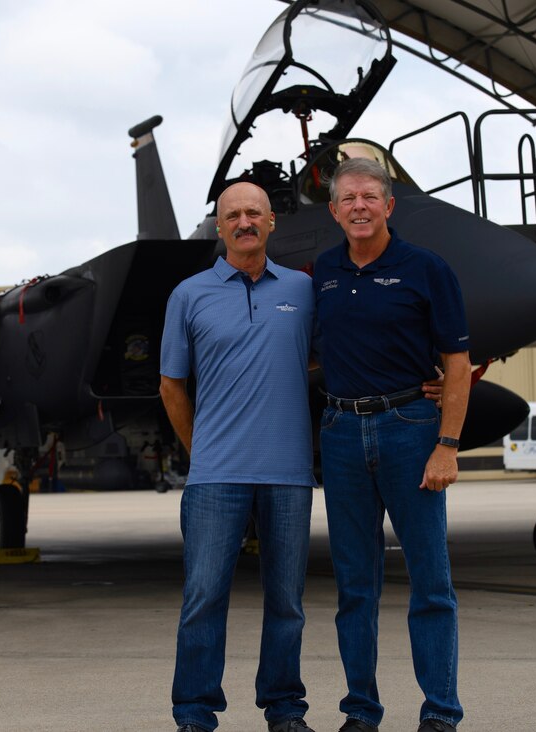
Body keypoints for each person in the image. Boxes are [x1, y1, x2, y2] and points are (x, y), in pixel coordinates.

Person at [312, 157, 471, 732]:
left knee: (431, 583)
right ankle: (361, 712)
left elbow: (456, 363)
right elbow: (308, 350)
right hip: (342, 434)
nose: (358, 207)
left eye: (369, 198)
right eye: (348, 198)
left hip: (409, 430)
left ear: (388, 206)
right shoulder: (324, 271)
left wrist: (447, 445)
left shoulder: (426, 269)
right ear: (334, 210)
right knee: (355, 588)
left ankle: (441, 713)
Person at [160, 181, 317, 732]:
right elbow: (171, 385)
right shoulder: (189, 295)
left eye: (254, 213)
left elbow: (335, 354)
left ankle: (284, 709)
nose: (245, 222)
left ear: (271, 222)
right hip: (215, 476)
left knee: (288, 602)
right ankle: (195, 713)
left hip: (289, 472)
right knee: (203, 598)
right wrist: (199, 449)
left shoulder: (302, 290)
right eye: (234, 215)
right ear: (220, 226)